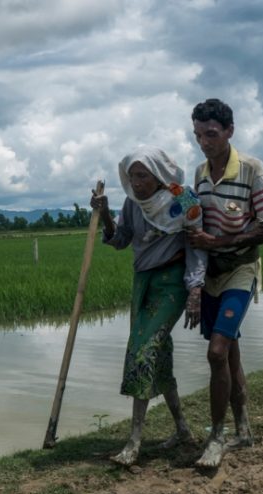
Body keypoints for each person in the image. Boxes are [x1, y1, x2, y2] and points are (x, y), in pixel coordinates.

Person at [90, 145, 208, 466]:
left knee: (142, 351)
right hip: (143, 284)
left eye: (142, 175)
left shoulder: (184, 199)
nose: (137, 182)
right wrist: (105, 216)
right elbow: (121, 240)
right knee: (160, 356)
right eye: (132, 176)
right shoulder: (132, 203)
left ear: (158, 174)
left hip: (171, 284)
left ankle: (134, 441)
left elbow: (197, 243)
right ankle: (183, 429)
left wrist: (196, 287)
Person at [186, 98, 263, 468]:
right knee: (230, 353)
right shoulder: (198, 174)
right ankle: (244, 427)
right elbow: (195, 226)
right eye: (197, 135)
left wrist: (221, 243)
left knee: (216, 352)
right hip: (210, 274)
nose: (204, 142)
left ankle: (216, 437)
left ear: (229, 132)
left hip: (241, 269)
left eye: (210, 134)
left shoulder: (251, 170)